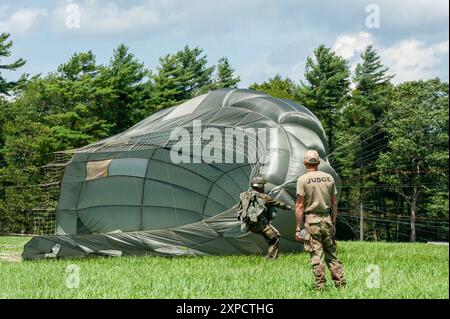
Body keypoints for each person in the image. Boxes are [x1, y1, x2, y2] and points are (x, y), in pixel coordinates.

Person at [295, 150, 346, 289]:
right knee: (331, 253)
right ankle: (340, 284)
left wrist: (299, 228)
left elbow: (299, 206)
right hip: (327, 219)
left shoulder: (302, 179)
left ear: (305, 163)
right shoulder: (329, 177)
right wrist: (333, 222)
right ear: (318, 162)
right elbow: (335, 203)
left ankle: (320, 286)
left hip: (311, 221)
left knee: (316, 254)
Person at [237, 176, 292, 260]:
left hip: (250, 223)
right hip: (260, 223)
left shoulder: (245, 195)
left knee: (275, 235)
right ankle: (271, 258)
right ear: (260, 186)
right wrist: (287, 207)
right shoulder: (265, 197)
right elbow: (276, 203)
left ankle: (272, 257)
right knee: (274, 238)